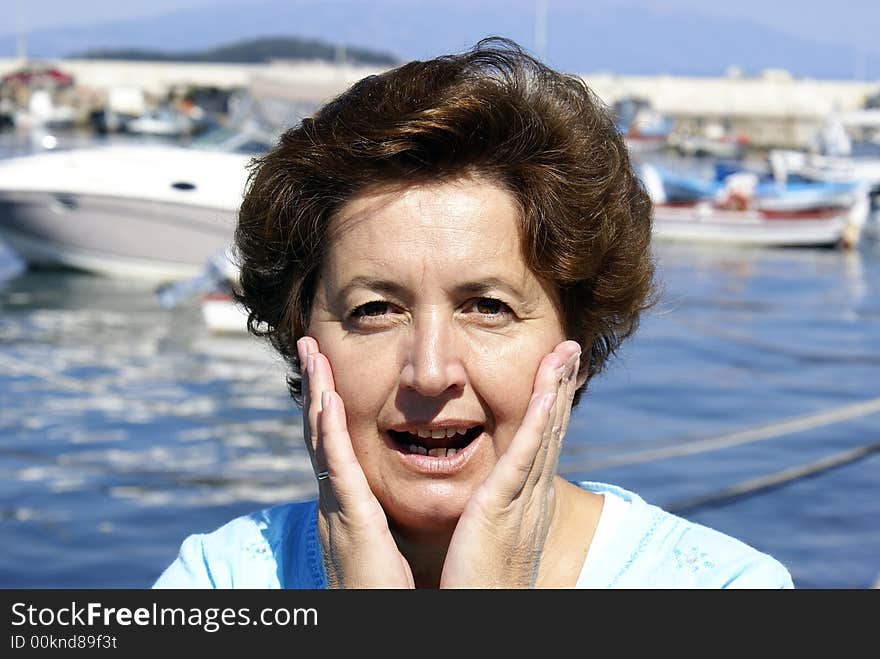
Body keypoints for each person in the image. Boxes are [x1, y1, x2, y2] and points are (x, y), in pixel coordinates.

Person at [153, 37, 793, 589]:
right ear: (302, 337)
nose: (430, 374)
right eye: (375, 309)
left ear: (579, 338)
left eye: (488, 307)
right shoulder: (223, 577)